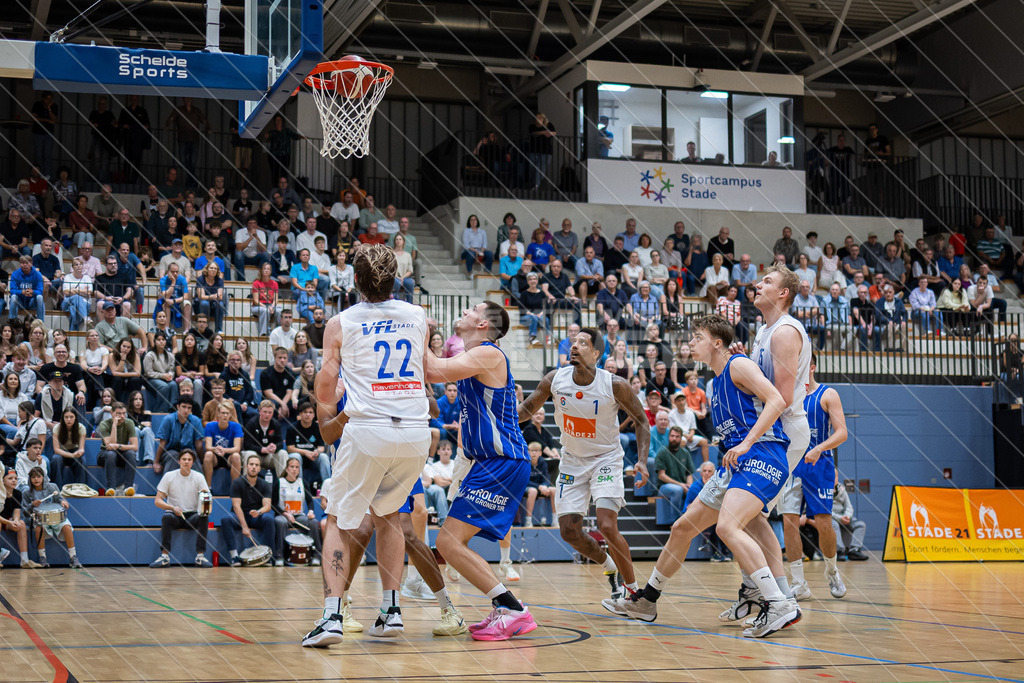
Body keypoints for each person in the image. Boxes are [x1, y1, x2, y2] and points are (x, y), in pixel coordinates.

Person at [613, 314, 800, 639]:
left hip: (763, 453)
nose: (690, 343)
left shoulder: (738, 365)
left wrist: (746, 442)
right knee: (682, 528)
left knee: (728, 527)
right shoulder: (713, 383)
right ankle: (647, 601)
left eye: (697, 336)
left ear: (717, 342)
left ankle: (778, 602)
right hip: (735, 463)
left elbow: (777, 400)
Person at [302, 244, 432, 647]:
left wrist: (335, 394)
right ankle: (391, 611)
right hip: (416, 429)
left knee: (337, 520)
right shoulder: (418, 315)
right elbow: (428, 370)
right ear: (396, 280)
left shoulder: (340, 322)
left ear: (355, 280)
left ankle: (331, 617)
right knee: (389, 515)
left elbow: (326, 389)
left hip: (369, 428)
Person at [423, 301, 536, 642]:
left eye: (472, 308)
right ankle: (506, 606)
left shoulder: (489, 354)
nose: (465, 311)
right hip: (486, 462)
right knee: (451, 541)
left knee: (447, 541)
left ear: (484, 324)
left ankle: (513, 609)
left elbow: (433, 370)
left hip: (502, 461)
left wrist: (417, 328)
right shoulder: (473, 355)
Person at [518, 327, 650, 612]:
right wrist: (496, 424)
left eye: (583, 343)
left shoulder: (614, 385)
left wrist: (641, 459)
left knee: (606, 525)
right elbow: (526, 409)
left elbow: (641, 419)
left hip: (606, 459)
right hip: (572, 461)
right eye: (573, 341)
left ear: (597, 354)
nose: (575, 346)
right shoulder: (555, 379)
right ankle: (609, 566)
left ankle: (634, 593)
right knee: (568, 531)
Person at [779, 353, 848, 600]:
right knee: (789, 520)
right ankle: (798, 583)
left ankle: (832, 570)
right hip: (791, 464)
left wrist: (819, 448)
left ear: (812, 367)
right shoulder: (786, 397)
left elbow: (842, 433)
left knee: (823, 522)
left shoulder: (827, 395)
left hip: (819, 463)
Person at [150, 449, 214, 568]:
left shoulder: (199, 477)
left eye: (189, 460)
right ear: (179, 461)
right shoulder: (169, 476)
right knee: (166, 517)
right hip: (175, 514)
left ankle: (200, 557)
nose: (186, 462)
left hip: (192, 515)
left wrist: (205, 499)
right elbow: (157, 501)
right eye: (184, 459)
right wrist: (172, 507)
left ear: (193, 462)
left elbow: (207, 498)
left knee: (204, 517)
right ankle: (164, 556)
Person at [221, 454, 278, 566]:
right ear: (246, 466)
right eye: (251, 464)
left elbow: (267, 506)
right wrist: (244, 526)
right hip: (240, 516)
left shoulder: (265, 484)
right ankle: (234, 556)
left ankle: (269, 556)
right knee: (225, 519)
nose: (254, 467)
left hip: (256, 516)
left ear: (260, 468)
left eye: (256, 465)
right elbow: (236, 506)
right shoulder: (237, 483)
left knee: (269, 519)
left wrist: (259, 512)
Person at [23, 464, 82, 567]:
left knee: (67, 527)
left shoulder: (53, 487)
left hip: (56, 517)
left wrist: (63, 502)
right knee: (39, 529)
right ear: (30, 479)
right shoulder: (27, 493)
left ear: (43, 477)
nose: (36, 479)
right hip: (40, 519)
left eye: (38, 476)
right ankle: (43, 558)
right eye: (33, 477)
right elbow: (25, 513)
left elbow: (60, 498)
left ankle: (73, 557)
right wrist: (32, 505)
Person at [273, 455, 323, 565]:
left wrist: (311, 511)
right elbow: (273, 504)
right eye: (292, 466)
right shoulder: (279, 482)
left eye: (297, 467)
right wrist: (285, 514)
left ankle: (316, 555)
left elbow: (310, 501)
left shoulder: (303, 483)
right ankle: (279, 557)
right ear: (287, 469)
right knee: (280, 522)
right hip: (283, 515)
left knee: (313, 522)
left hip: (299, 516)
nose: (294, 469)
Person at [2, 466, 43, 567]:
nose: (14, 481)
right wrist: (10, 522)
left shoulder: (17, 493)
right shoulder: (0, 493)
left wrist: (15, 521)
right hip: (2, 520)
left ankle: (24, 560)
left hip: (8, 520)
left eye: (15, 478)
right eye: (10, 478)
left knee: (21, 524)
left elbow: (17, 512)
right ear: (2, 480)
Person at [153, 396, 205, 476]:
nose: (186, 410)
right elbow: (162, 442)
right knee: (173, 457)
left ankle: (199, 484)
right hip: (170, 450)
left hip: (189, 450)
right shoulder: (168, 419)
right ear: (178, 407)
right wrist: (156, 462)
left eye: (189, 408)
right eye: (184, 407)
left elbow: (199, 444)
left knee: (191, 457)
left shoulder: (196, 421)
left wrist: (202, 461)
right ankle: (168, 483)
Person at [97, 402, 138, 496]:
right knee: (111, 454)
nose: (122, 416)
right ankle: (111, 488)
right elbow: (111, 446)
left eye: (124, 413)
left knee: (131, 453)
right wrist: (114, 425)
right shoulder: (104, 424)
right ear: (112, 413)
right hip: (105, 454)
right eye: (119, 413)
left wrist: (118, 446)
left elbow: (135, 447)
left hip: (121, 453)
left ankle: (128, 488)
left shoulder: (129, 422)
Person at [655, 426, 694, 520]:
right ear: (668, 437)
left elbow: (689, 474)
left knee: (694, 489)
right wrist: (680, 485)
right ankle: (676, 521)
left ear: (681, 438)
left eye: (677, 436)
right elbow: (661, 475)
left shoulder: (685, 453)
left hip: (682, 485)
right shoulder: (662, 452)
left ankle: (690, 521)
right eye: (672, 436)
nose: (674, 439)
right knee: (677, 490)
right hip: (664, 487)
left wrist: (689, 486)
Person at [830, 471, 869, 561]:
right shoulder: (822, 490)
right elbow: (826, 510)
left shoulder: (841, 489)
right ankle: (839, 551)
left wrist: (847, 516)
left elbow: (849, 506)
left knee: (860, 525)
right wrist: (840, 518)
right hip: (831, 517)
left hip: (843, 516)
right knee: (834, 524)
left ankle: (854, 550)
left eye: (835, 477)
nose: (833, 479)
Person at [243, 400, 288, 476]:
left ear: (273, 413)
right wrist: (262, 449)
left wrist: (275, 447)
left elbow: (280, 443)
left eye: (270, 412)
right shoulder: (251, 423)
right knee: (249, 454)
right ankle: (247, 481)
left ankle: (283, 481)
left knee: (283, 453)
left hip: (269, 457)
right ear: (259, 411)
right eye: (265, 412)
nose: (267, 415)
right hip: (255, 455)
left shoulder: (275, 424)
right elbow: (247, 445)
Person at [522, 441, 555, 526]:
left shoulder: (542, 462)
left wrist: (545, 486)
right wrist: (539, 487)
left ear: (540, 453)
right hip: (527, 487)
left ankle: (555, 521)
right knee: (533, 491)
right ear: (528, 452)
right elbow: (525, 481)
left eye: (536, 451)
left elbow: (546, 478)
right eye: (532, 451)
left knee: (554, 490)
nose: (534, 453)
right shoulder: (525, 462)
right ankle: (528, 521)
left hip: (540, 487)